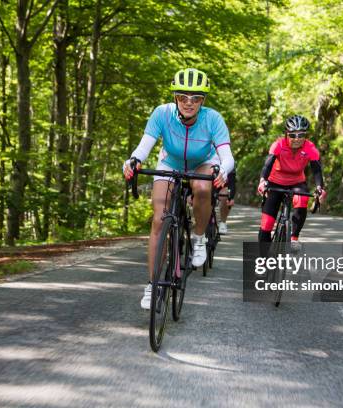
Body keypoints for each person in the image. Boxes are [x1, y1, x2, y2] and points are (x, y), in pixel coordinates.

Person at [123, 68, 235, 309]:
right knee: (159, 220)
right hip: (170, 162)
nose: (189, 102)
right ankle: (152, 285)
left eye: (196, 98)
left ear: (202, 101)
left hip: (204, 162)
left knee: (203, 188)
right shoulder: (162, 114)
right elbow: (144, 147)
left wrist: (222, 171)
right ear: (175, 97)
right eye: (183, 97)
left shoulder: (213, 118)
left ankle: (199, 237)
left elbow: (227, 157)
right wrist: (133, 161)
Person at [257, 115, 326, 252]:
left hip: (297, 182)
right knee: (266, 224)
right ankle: (263, 262)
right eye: (293, 135)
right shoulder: (278, 145)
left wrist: (319, 188)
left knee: (302, 199)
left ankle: (294, 238)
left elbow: (316, 170)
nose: (297, 138)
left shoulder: (310, 148)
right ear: (286, 134)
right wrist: (262, 180)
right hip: (275, 182)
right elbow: (267, 165)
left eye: (301, 135)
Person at [218, 169, 236, 235]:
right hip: (207, 183)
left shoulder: (229, 160)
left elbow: (232, 182)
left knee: (225, 195)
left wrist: (231, 197)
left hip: (223, 186)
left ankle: (223, 222)